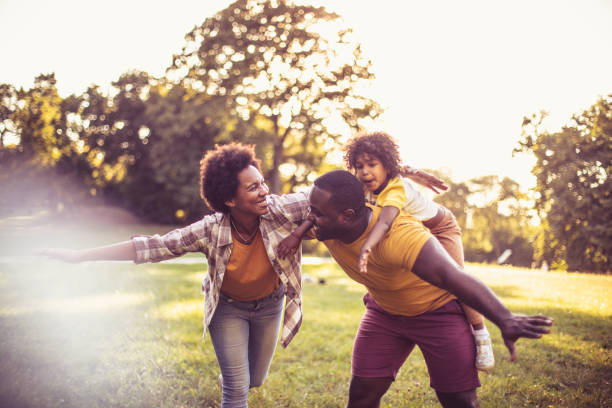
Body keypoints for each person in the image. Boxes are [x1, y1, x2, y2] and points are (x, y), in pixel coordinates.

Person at [37, 143, 311, 408]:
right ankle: (233, 380)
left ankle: (234, 377)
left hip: (270, 304)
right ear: (230, 199)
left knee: (256, 379)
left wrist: (301, 231)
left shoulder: (280, 209)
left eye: (262, 183)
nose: (264, 191)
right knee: (237, 390)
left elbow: (323, 199)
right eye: (253, 187)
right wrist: (80, 256)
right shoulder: (210, 229)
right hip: (228, 309)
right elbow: (154, 246)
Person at [307, 169, 553, 408]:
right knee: (361, 396)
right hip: (385, 314)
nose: (309, 218)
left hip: (438, 313)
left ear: (347, 216)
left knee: (458, 401)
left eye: (317, 214)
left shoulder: (400, 237)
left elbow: (452, 275)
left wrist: (505, 319)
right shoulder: (325, 223)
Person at [279, 131, 495, 371]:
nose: (364, 171)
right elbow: (319, 210)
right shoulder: (360, 185)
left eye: (372, 164)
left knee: (457, 280)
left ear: (386, 166)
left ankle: (481, 333)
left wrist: (367, 248)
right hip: (413, 226)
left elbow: (383, 223)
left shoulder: (395, 189)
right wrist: (296, 235)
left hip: (440, 227)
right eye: (359, 166)